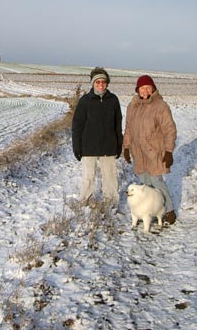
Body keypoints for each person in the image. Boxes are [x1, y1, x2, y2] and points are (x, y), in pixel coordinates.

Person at [123, 74, 178, 224]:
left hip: (154, 152)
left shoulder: (161, 106)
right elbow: (128, 128)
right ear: (138, 90)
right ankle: (150, 211)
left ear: (153, 89)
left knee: (157, 182)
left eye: (148, 87)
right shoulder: (132, 106)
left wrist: (168, 151)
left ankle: (169, 210)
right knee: (145, 184)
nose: (145, 91)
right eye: (142, 88)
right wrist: (126, 147)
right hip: (138, 152)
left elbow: (169, 130)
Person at [71, 66, 123, 206]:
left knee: (110, 177)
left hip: (109, 146)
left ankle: (111, 203)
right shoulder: (85, 101)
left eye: (103, 82)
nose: (101, 85)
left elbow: (118, 123)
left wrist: (119, 144)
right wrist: (77, 147)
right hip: (89, 146)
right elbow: (77, 126)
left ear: (107, 83)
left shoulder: (113, 100)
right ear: (93, 83)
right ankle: (85, 203)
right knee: (88, 177)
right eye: (98, 82)